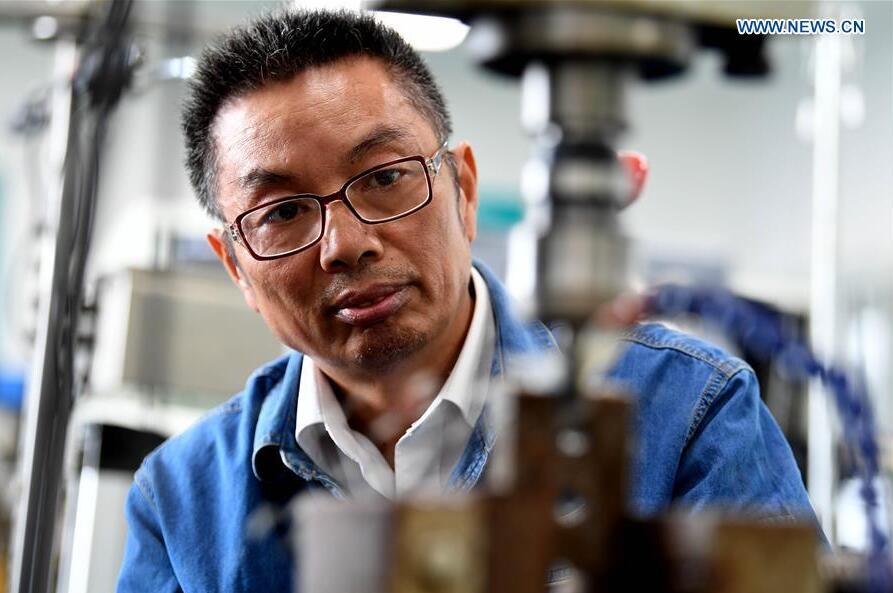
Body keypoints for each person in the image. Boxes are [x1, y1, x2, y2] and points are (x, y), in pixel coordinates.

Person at [116, 9, 817, 593]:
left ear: (465, 189)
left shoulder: (687, 413)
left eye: (385, 176)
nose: (345, 243)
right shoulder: (183, 499)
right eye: (282, 212)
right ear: (234, 264)